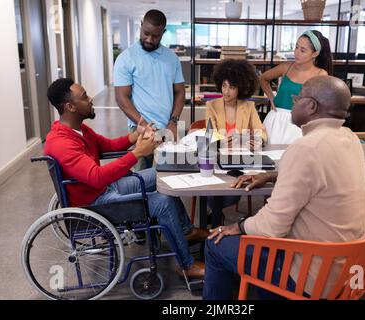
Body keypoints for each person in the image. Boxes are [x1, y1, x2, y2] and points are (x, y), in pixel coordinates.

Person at [202, 76, 365, 300]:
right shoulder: (350, 138)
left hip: (311, 275)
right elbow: (320, 177)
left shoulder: (306, 148)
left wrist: (237, 226)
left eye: (297, 98)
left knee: (216, 242)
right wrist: (272, 175)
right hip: (348, 268)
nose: (292, 101)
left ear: (311, 106)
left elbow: (271, 228)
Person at [44, 78, 207, 279]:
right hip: (94, 203)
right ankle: (187, 266)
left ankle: (185, 230)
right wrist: (137, 153)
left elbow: (108, 145)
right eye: (84, 96)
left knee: (164, 172)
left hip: (104, 190)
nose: (91, 98)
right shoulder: (62, 142)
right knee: (163, 202)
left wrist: (134, 136)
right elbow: (96, 177)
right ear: (70, 107)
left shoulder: (79, 130)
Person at [114, 9, 185, 170]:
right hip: (140, 128)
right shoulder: (126, 58)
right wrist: (143, 125)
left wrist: (173, 122)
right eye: (146, 33)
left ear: (163, 32)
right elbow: (121, 98)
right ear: (141, 26)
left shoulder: (172, 58)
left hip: (168, 127)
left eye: (155, 36)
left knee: (170, 175)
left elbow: (180, 91)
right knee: (142, 180)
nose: (149, 39)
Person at [205, 59, 268, 227]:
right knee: (213, 192)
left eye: (232, 87)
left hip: (241, 162)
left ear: (241, 87)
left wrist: (251, 139)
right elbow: (209, 134)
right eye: (224, 86)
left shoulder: (248, 107)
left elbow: (261, 133)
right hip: (219, 161)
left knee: (231, 193)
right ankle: (216, 222)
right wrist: (222, 141)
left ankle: (216, 222)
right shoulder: (211, 105)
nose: (226, 92)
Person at [260, 30, 332, 145]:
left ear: (315, 54)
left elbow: (321, 104)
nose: (296, 53)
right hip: (275, 121)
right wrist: (271, 97)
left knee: (293, 158)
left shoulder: (321, 74)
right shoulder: (285, 67)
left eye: (303, 50)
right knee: (269, 157)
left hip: (299, 124)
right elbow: (263, 78)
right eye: (296, 47)